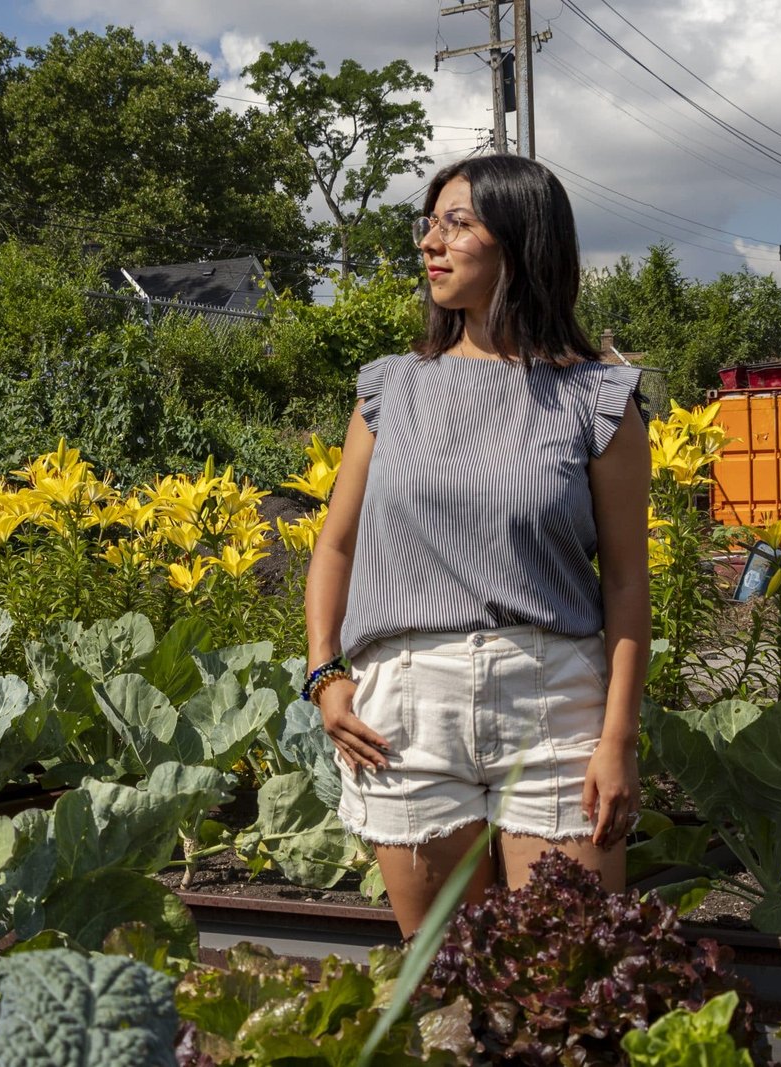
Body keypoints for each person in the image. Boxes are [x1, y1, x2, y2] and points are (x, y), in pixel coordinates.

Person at [301, 154, 652, 936]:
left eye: (458, 223)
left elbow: (628, 585)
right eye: (430, 223)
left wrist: (619, 740)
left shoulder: (599, 400)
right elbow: (335, 548)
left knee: (564, 977)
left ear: (522, 245)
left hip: (555, 701)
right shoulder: (389, 390)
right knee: (446, 988)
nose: (432, 241)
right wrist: (325, 674)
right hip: (406, 715)